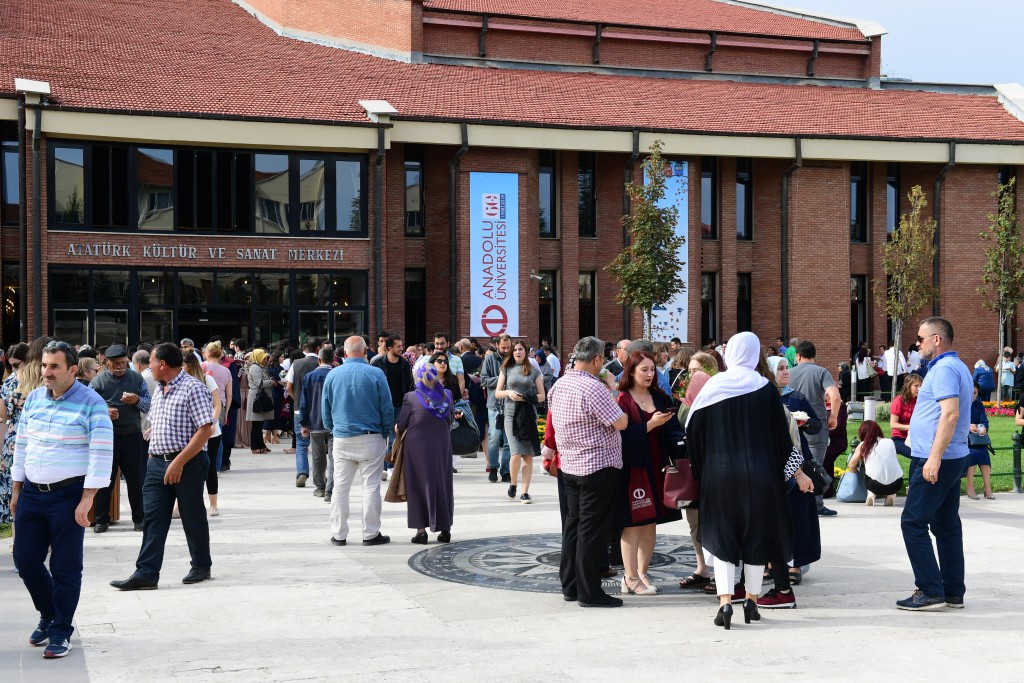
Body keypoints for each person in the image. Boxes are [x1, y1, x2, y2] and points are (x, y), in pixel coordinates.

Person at [685, 332, 797, 629]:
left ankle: (725, 602)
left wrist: (702, 469)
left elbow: (692, 432)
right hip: (761, 476)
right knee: (756, 536)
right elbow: (782, 438)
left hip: (719, 475)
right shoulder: (765, 388)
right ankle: (751, 600)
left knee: (723, 536)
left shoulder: (713, 387)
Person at [11, 340, 113, 658]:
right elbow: (22, 444)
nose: (46, 372)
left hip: (68, 496)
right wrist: (17, 489)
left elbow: (101, 452)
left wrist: (88, 498)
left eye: (54, 366)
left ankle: (60, 630)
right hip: (32, 493)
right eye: (44, 365)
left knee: (65, 567)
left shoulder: (91, 402)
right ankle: (49, 612)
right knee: (25, 560)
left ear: (72, 369)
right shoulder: (34, 399)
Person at [110, 343, 215, 591]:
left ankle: (201, 565)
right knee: (153, 518)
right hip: (157, 462)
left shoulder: (193, 388)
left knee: (191, 515)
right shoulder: (159, 389)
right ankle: (146, 573)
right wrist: (153, 452)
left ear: (162, 364)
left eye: (151, 363)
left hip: (187, 462)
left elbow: (205, 429)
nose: (149, 368)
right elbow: (159, 422)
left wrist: (178, 462)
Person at [549, 336, 629, 608]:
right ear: (596, 359)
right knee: (592, 530)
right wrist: (612, 388)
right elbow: (621, 422)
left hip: (570, 465)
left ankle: (570, 585)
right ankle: (589, 591)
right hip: (597, 466)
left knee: (573, 525)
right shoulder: (594, 388)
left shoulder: (560, 384)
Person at [898, 316, 971, 611]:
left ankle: (930, 590)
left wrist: (934, 458)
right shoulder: (956, 366)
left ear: (936, 340)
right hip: (951, 456)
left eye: (920, 338)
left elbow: (950, 414)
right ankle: (952, 591)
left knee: (912, 522)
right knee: (946, 525)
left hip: (938, 458)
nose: (917, 344)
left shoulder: (944, 369)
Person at [614, 350, 683, 596]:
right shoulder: (622, 399)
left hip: (658, 466)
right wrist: (650, 425)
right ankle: (629, 576)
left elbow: (674, 430)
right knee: (633, 523)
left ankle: (643, 573)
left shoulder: (661, 397)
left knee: (651, 522)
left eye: (652, 369)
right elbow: (621, 439)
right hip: (634, 469)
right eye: (644, 369)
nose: (649, 374)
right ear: (631, 371)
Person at [757, 355, 820, 608]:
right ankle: (770, 564)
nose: (785, 372)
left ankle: (795, 565)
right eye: (780, 368)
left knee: (796, 517)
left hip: (797, 461)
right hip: (777, 466)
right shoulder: (765, 395)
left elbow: (816, 425)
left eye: (787, 368)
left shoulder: (796, 397)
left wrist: (805, 422)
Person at [323, 336, 394, 547]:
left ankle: (339, 533)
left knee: (340, 487)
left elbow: (325, 409)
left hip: (342, 436)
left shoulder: (333, 375)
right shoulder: (376, 373)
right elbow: (386, 407)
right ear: (365, 351)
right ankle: (370, 533)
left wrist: (333, 429)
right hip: (371, 435)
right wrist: (385, 431)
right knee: (371, 486)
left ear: (345, 353)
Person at [88, 344, 151, 533]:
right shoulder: (97, 382)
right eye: (116, 363)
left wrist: (136, 400)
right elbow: (88, 408)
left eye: (123, 363)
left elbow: (149, 404)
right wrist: (104, 411)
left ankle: (139, 518)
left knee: (136, 479)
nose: (120, 367)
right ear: (107, 363)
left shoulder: (137, 378)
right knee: (105, 479)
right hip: (107, 437)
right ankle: (101, 519)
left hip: (132, 435)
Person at [400, 363, 456, 544]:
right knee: (443, 482)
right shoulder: (447, 395)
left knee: (418, 484)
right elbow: (450, 419)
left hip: (417, 446)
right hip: (442, 444)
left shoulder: (411, 397)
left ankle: (421, 531)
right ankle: (445, 529)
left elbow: (401, 424)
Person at [787, 340, 842, 517]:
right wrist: (833, 416)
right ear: (814, 355)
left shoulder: (789, 373)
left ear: (798, 356)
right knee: (815, 465)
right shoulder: (821, 372)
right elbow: (835, 396)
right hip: (816, 425)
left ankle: (793, 502)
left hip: (792, 426)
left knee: (793, 463)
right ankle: (816, 504)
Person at [675, 355, 715, 590]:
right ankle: (702, 568)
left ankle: (721, 571)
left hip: (714, 468)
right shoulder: (687, 399)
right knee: (694, 520)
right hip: (693, 466)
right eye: (689, 371)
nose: (692, 376)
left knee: (715, 520)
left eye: (697, 370)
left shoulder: (720, 396)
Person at [495, 340, 545, 503]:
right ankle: (513, 483)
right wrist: (509, 393)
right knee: (515, 452)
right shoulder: (506, 368)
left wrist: (525, 397)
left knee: (528, 455)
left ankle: (525, 492)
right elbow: (497, 393)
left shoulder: (534, 371)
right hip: (510, 413)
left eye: (521, 349)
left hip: (528, 414)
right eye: (515, 349)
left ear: (526, 352)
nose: (517, 352)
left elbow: (542, 396)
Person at [183, 352, 222, 516]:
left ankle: (213, 504)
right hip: (189, 432)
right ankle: (182, 504)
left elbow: (217, 404)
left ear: (190, 365)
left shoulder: (207, 379)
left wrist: (211, 422)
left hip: (210, 432)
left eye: (182, 365)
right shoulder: (179, 381)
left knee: (209, 467)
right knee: (187, 467)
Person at [371, 335, 414, 480]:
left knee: (394, 438)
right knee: (381, 437)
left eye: (402, 346)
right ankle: (381, 467)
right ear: (389, 348)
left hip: (400, 405)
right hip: (381, 407)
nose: (401, 348)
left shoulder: (404, 364)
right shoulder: (377, 363)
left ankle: (389, 466)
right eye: (398, 346)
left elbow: (410, 385)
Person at [300, 348, 336, 502]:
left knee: (317, 456)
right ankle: (331, 490)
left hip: (315, 422)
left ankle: (320, 487)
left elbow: (304, 403)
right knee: (334, 458)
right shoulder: (336, 375)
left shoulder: (309, 377)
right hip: (334, 422)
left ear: (319, 360)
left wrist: (304, 423)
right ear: (333, 360)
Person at [286, 337, 322, 487]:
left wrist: (297, 400)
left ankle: (302, 472)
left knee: (301, 444)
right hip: (319, 410)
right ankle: (320, 477)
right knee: (319, 444)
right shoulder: (322, 364)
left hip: (299, 410)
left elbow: (289, 387)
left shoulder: (297, 363)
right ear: (318, 348)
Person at [0, 342, 29, 525]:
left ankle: (18, 536)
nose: (14, 369)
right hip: (30, 437)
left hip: (14, 436)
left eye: (16, 364)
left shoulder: (10, 381)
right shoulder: (40, 379)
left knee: (13, 489)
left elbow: (3, 414)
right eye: (11, 366)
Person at [847, 420, 904, 507]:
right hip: (897, 484)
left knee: (862, 466)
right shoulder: (890, 442)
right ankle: (891, 495)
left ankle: (871, 493)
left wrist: (856, 473)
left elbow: (851, 465)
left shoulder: (863, 445)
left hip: (874, 486)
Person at [482, 334, 512, 483]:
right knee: (494, 437)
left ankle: (505, 470)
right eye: (503, 347)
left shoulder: (514, 358)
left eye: (508, 347)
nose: (506, 350)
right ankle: (493, 466)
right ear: (497, 346)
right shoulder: (490, 359)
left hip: (511, 404)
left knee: (509, 440)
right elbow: (483, 380)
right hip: (495, 404)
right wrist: (501, 379)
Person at [202, 342, 232, 477]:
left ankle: (204, 466)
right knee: (217, 437)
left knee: (202, 436)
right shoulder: (226, 370)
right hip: (220, 404)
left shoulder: (202, 366)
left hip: (203, 403)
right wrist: (227, 411)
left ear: (207, 353)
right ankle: (217, 467)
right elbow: (229, 394)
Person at [966, 383, 995, 500]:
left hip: (977, 438)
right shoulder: (959, 404)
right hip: (964, 439)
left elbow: (984, 421)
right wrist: (968, 426)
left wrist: (982, 427)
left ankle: (987, 488)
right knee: (973, 455)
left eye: (975, 393)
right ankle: (970, 487)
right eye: (970, 392)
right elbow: (956, 421)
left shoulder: (979, 404)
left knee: (984, 456)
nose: (972, 395)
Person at [246, 349, 274, 454]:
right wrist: (271, 382)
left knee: (259, 423)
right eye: (264, 358)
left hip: (260, 398)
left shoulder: (259, 367)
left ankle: (261, 445)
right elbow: (259, 383)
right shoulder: (255, 368)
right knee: (256, 424)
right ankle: (255, 447)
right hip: (257, 398)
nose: (266, 360)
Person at [889, 374, 922, 459]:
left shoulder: (920, 400)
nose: (919, 388)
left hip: (915, 437)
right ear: (908, 386)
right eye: (916, 386)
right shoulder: (899, 400)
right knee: (917, 456)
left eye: (921, 386)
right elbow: (893, 424)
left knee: (923, 455)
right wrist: (911, 427)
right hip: (899, 439)